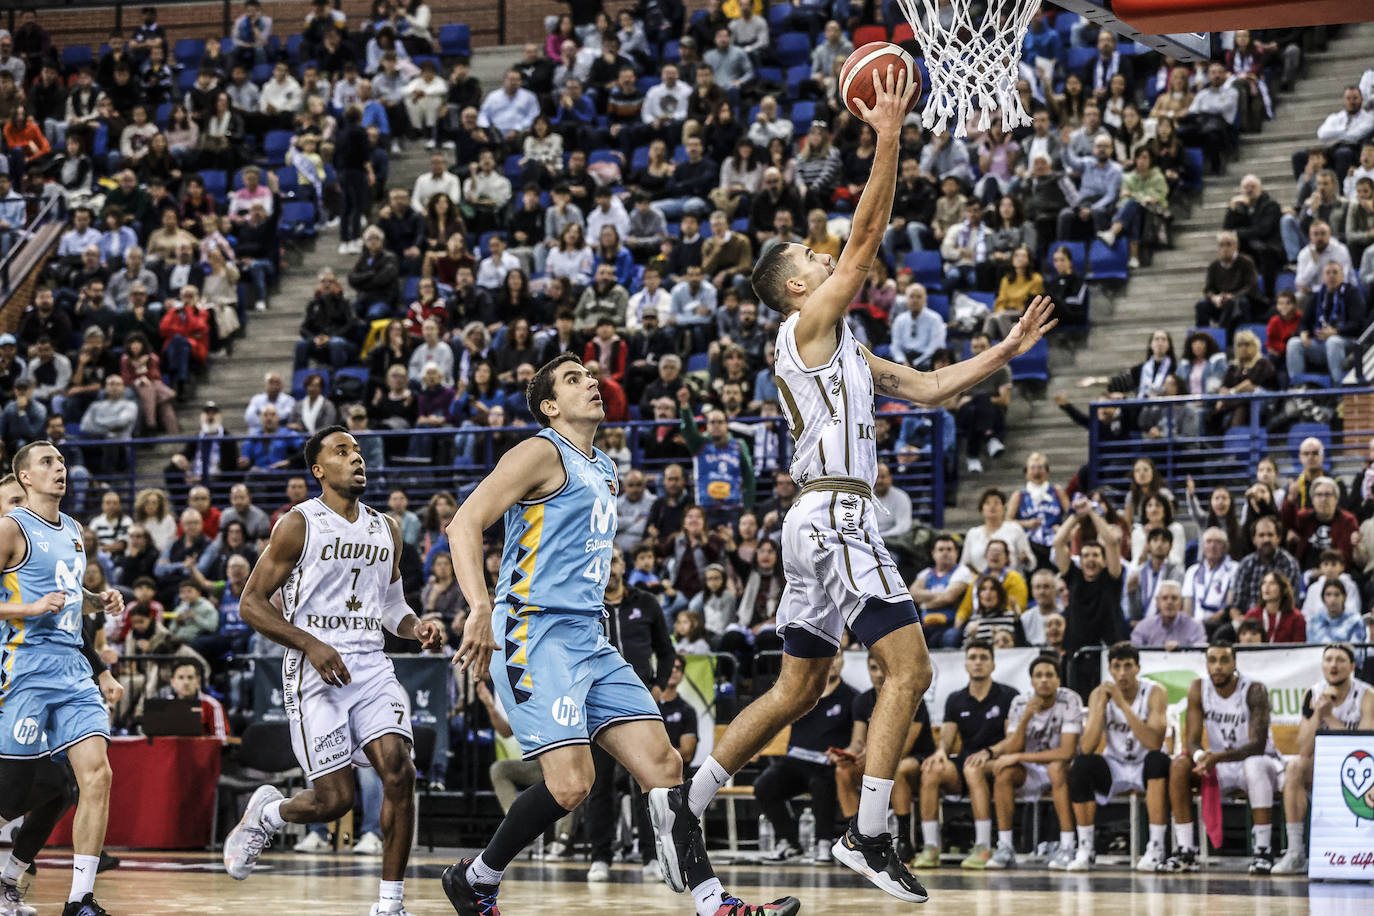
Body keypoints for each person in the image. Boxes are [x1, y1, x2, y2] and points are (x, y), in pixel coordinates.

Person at [654, 65, 1053, 905]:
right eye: (811, 254)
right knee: (907, 671)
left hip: (813, 515)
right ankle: (868, 833)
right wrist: (888, 135)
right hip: (835, 510)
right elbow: (867, 241)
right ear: (798, 286)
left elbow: (934, 387)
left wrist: (1005, 352)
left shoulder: (841, 348)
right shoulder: (806, 323)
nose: (824, 250)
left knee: (797, 685)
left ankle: (681, 805)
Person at [439, 355, 794, 916]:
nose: (592, 383)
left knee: (664, 764)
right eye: (574, 379)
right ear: (550, 405)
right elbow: (463, 523)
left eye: (591, 375)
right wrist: (479, 607)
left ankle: (714, 904)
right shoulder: (539, 450)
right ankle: (477, 877)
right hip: (534, 631)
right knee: (572, 784)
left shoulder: (603, 465)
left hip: (589, 634)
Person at [222, 426, 445, 916]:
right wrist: (311, 644)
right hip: (313, 670)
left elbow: (392, 607)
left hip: (370, 666)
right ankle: (269, 813)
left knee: (399, 772)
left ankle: (390, 905)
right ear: (318, 470)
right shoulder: (298, 524)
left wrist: (416, 627)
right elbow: (251, 604)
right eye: (342, 452)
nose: (356, 459)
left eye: (359, 451)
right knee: (334, 800)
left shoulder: (387, 528)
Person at [0, 442, 125, 916]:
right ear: (25, 478)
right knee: (12, 793)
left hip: (72, 669)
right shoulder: (11, 528)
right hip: (24, 670)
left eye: (62, 462)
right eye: (47, 463)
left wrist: (100, 601)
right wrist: (29, 608)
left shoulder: (73, 529)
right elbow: (34, 600)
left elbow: (73, 594)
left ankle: (80, 899)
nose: (60, 469)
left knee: (97, 775)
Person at [584, 547, 675, 882]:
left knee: (647, 781)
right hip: (597, 704)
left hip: (640, 705)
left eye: (616, 560)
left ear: (624, 566)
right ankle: (600, 857)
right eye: (605, 560)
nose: (610, 566)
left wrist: (659, 686)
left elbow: (666, 652)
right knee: (600, 785)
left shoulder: (647, 603)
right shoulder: (586, 604)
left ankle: (651, 855)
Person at [1162, 641, 1283, 875]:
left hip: (1261, 762)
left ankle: (1263, 849)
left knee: (1254, 765)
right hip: (1220, 764)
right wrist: (1200, 756)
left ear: (1234, 663)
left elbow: (1257, 745)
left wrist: (1215, 759)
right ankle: (1186, 849)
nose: (1217, 666)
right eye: (1212, 660)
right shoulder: (1198, 688)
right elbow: (1192, 741)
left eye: (1224, 660)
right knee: (1179, 764)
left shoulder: (1254, 689)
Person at [964, 654, 1083, 870]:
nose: (1044, 680)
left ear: (1058, 680)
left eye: (1049, 675)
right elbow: (1012, 747)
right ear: (1031, 681)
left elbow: (1066, 752)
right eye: (1038, 676)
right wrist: (1026, 717)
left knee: (1056, 768)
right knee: (1004, 771)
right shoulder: (1020, 702)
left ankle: (1068, 845)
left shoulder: (1070, 699)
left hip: (1061, 766)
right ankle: (1005, 846)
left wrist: (1019, 757)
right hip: (1030, 769)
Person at [908, 640, 1017, 868]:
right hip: (966, 765)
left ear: (993, 665)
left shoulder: (1007, 695)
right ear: (966, 664)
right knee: (931, 769)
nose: (978, 663)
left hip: (996, 764)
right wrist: (939, 753)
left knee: (973, 767)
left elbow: (1013, 740)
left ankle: (983, 845)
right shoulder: (955, 699)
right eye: (973, 658)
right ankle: (930, 847)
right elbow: (946, 741)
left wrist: (989, 752)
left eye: (983, 658)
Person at [1066, 642, 1169, 871]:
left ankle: (1156, 846)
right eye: (1117, 667)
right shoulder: (1099, 694)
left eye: (1128, 666)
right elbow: (1088, 746)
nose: (1122, 673)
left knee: (1158, 760)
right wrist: (1100, 709)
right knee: (1081, 766)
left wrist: (1122, 705)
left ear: (1138, 668)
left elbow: (1154, 743)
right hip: (1115, 765)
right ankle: (1085, 847)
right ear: (1110, 670)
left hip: (1145, 764)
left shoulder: (1155, 692)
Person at [1272, 643, 1374, 874]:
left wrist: (1330, 716)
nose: (1333, 665)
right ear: (1322, 665)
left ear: (1352, 667)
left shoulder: (1367, 696)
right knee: (1295, 767)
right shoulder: (1313, 693)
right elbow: (1304, 749)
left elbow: (1363, 748)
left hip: (1362, 772)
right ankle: (1296, 852)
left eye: (1340, 660)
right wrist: (1318, 714)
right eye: (1328, 660)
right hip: (1326, 765)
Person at [753, 653, 857, 862]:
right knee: (764, 785)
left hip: (828, 764)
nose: (833, 661)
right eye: (830, 656)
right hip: (796, 761)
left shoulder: (852, 697)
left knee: (822, 782)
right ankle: (789, 842)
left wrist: (843, 753)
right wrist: (755, 747)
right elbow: (775, 724)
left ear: (844, 660)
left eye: (837, 657)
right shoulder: (804, 694)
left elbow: (858, 740)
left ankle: (824, 842)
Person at [1131, 580, 1206, 649]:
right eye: (1164, 598)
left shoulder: (1195, 627)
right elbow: (1134, 653)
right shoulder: (1143, 626)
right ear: (1158, 602)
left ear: (1181, 603)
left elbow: (1199, 655)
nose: (1169, 602)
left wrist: (1180, 649)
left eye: (1174, 598)